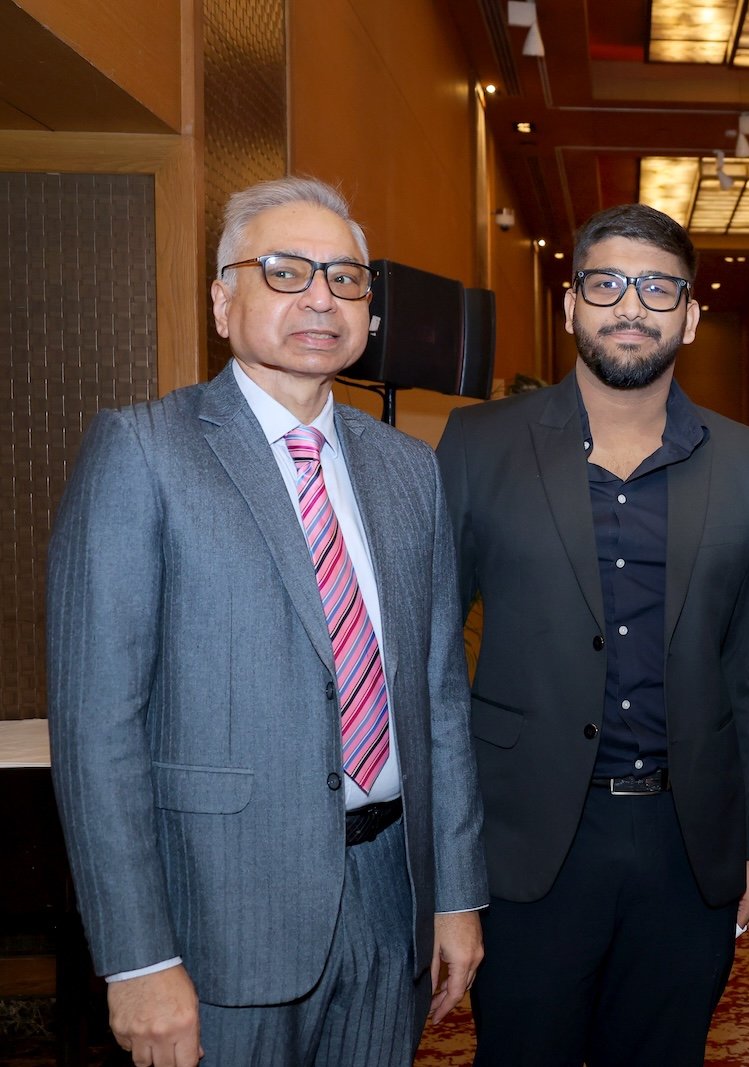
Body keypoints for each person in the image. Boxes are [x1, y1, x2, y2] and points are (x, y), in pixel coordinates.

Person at [47, 176, 487, 1067]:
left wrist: (456, 893)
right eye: (285, 271)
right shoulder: (143, 450)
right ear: (223, 301)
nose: (321, 298)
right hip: (219, 913)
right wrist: (138, 958)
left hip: (391, 895)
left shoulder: (409, 470)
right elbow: (99, 729)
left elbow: (439, 696)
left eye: (346, 278)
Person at [436, 203, 749, 1065]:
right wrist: (447, 862)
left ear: (690, 315)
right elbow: (431, 655)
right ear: (571, 305)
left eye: (659, 288)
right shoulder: (478, 444)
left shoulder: (747, 462)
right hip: (526, 835)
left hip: (686, 841)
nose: (631, 305)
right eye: (607, 284)